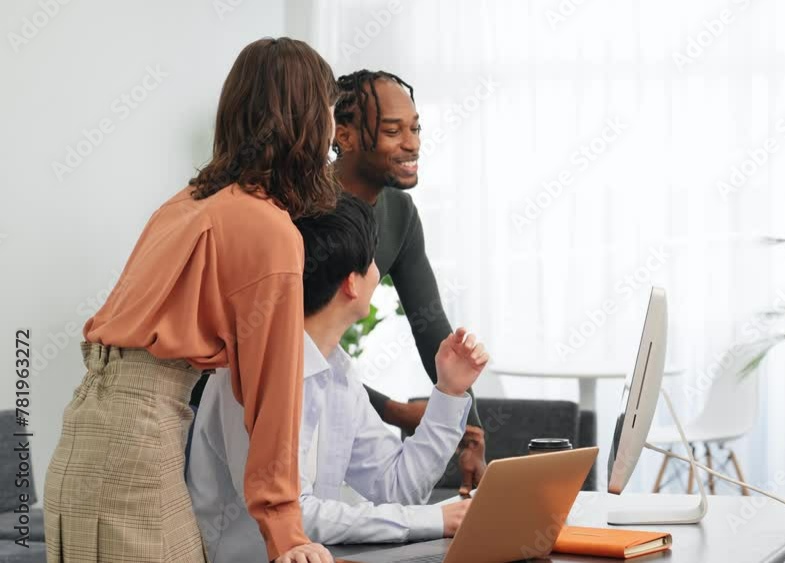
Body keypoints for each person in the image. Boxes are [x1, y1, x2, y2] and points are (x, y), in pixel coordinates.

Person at [43, 38, 335, 563]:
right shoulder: (268, 229)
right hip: (134, 446)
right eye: (330, 112)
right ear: (307, 121)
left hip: (81, 435)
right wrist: (286, 531)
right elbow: (274, 395)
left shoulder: (184, 204)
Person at [188, 194, 488, 562]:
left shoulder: (338, 372)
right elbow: (295, 517)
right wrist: (433, 520)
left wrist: (449, 392)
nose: (380, 271)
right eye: (374, 261)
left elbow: (397, 489)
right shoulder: (254, 371)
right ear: (351, 283)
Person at [332, 70, 487, 493]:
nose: (412, 143)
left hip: (332, 402)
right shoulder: (305, 210)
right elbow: (295, 354)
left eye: (416, 128)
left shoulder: (399, 212)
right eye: (392, 130)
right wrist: (395, 411)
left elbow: (430, 325)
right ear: (343, 136)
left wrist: (469, 430)